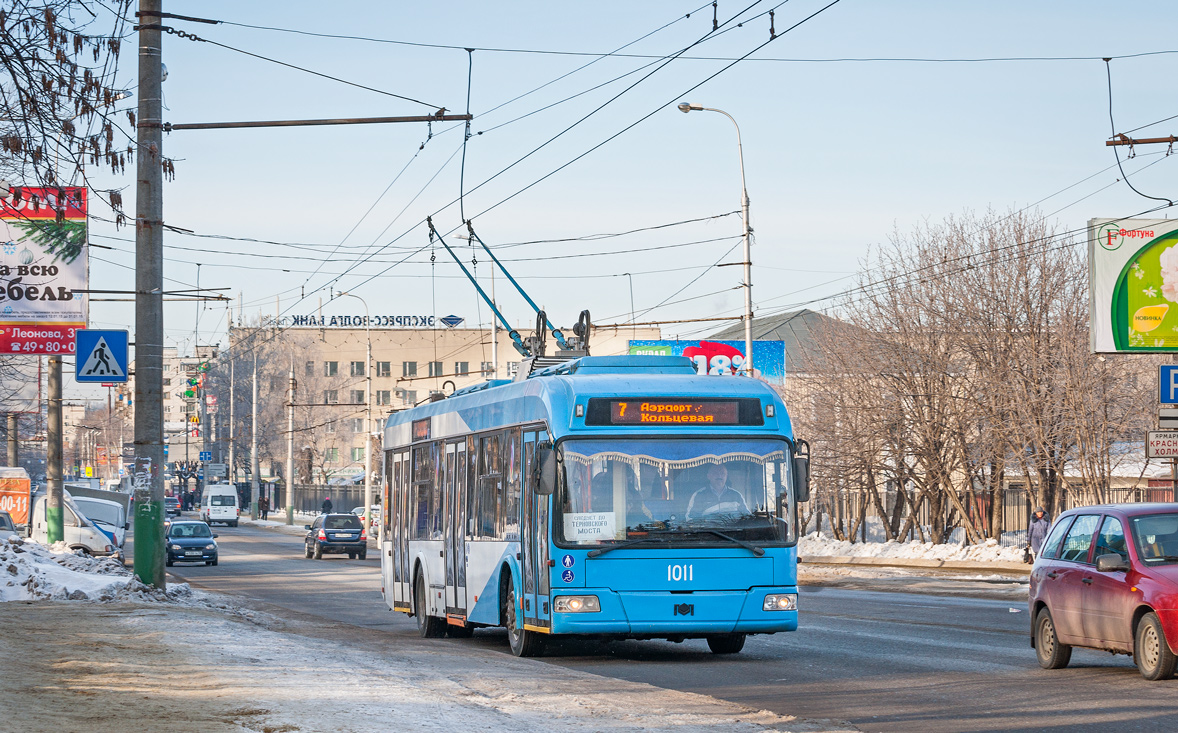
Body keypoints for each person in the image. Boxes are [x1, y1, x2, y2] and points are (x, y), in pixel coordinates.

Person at [685, 464, 749, 520]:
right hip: (707, 532)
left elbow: (747, 517)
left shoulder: (736, 495)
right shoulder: (699, 495)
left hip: (733, 532)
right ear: (708, 476)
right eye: (715, 473)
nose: (719, 476)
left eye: (722, 473)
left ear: (726, 476)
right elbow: (690, 519)